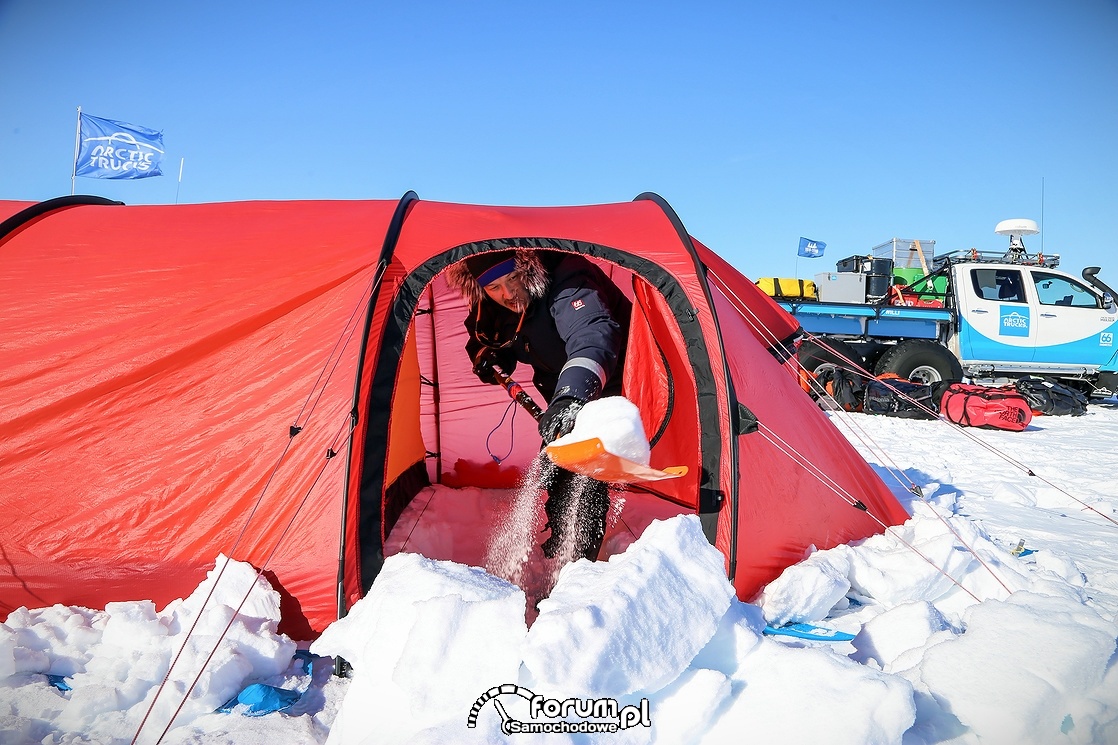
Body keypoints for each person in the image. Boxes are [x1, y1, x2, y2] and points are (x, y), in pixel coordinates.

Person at [447, 248, 632, 562]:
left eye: (513, 278)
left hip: (604, 378)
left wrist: (573, 396)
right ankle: (561, 547)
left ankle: (576, 567)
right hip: (559, 390)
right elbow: (488, 336)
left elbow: (592, 333)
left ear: (528, 270)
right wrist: (487, 358)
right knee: (559, 466)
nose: (506, 293)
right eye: (493, 287)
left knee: (584, 474)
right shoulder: (494, 303)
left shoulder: (568, 279)